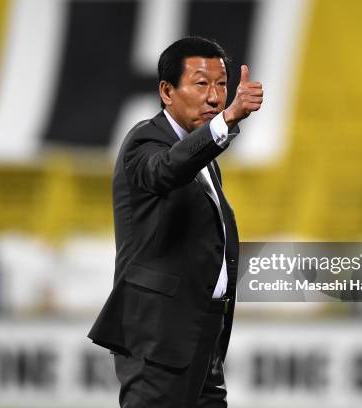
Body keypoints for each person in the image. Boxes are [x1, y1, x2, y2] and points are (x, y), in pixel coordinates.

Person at [88, 36, 263, 407]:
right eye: (202, 84)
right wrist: (228, 121)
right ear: (167, 91)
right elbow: (165, 171)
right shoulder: (145, 141)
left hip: (202, 334)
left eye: (221, 84)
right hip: (159, 338)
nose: (215, 97)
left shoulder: (206, 158)